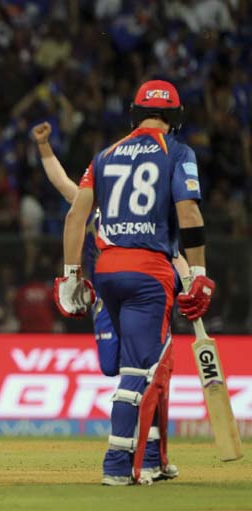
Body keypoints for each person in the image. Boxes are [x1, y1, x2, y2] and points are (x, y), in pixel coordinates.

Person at [54, 80, 215, 486]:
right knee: (139, 369)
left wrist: (71, 276)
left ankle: (155, 459)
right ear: (175, 117)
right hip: (150, 272)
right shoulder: (177, 152)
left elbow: (76, 217)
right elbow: (189, 214)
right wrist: (198, 275)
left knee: (158, 362)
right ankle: (116, 466)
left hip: (108, 270)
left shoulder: (105, 156)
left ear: (134, 113)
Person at [32, 121, 192, 377]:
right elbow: (61, 181)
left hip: (143, 287)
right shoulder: (93, 209)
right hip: (106, 295)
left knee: (142, 357)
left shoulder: (143, 219)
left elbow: (174, 255)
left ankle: (158, 347)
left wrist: (189, 285)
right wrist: (43, 146)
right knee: (109, 366)